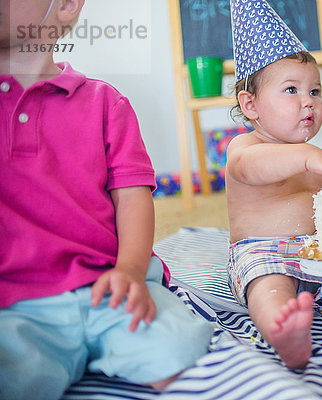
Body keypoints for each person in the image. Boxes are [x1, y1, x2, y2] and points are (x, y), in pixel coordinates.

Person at [0, 1, 213, 399]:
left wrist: (131, 270)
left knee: (181, 348)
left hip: (109, 286)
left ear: (64, 6)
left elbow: (133, 197)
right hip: (16, 304)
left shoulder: (104, 102)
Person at [225, 0, 322, 369]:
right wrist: (310, 159)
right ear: (251, 105)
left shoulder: (312, 155)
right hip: (265, 253)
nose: (308, 102)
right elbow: (252, 168)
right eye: (291, 90)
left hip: (320, 254)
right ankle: (283, 332)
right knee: (268, 285)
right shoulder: (246, 148)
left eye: (315, 91)